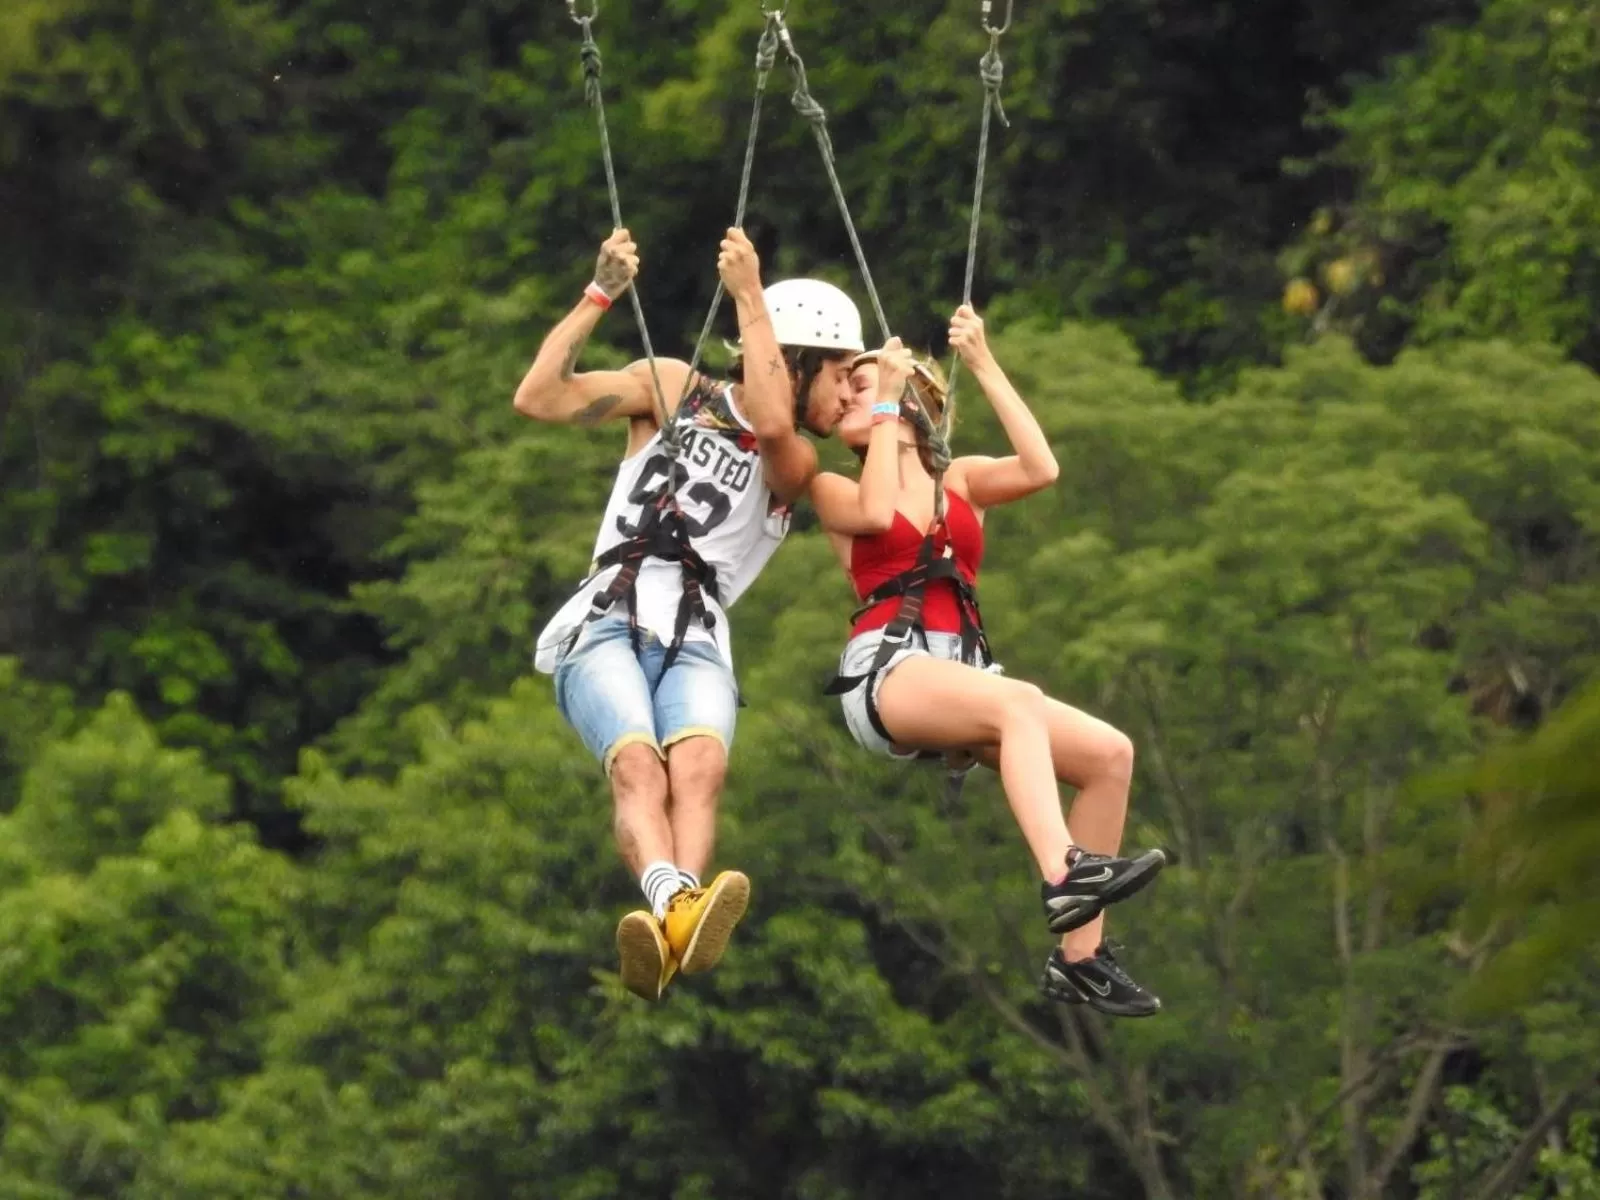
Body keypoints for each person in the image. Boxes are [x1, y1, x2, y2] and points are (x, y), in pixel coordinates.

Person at [514, 226, 863, 1002]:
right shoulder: (673, 387)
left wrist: (747, 296)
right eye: (839, 375)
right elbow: (538, 398)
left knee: (700, 767)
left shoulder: (795, 464)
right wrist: (598, 294)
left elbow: (772, 423)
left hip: (698, 636)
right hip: (607, 617)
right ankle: (676, 902)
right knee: (638, 765)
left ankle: (676, 912)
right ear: (797, 360)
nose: (846, 397)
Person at [808, 306, 1167, 1017]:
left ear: (913, 401)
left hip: (960, 672)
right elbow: (879, 516)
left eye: (864, 385)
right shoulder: (836, 488)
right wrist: (885, 393)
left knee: (1109, 755)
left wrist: (981, 361)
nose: (850, 397)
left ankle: (1082, 959)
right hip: (889, 670)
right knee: (1018, 701)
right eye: (850, 391)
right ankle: (1066, 872)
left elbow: (1042, 466)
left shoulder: (961, 482)